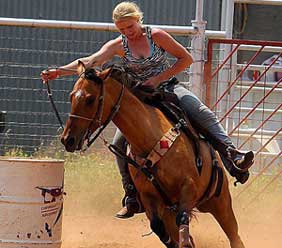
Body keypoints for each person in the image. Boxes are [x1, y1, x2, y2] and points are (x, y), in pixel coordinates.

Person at [41, 1, 254, 219]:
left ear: (138, 20)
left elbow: (186, 59)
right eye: (122, 29)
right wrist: (59, 72)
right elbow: (90, 61)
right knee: (118, 144)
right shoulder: (118, 45)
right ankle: (131, 195)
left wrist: (158, 79)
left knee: (201, 113)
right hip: (140, 100)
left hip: (169, 88)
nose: (127, 33)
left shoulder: (157, 36)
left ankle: (232, 156)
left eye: (130, 27)